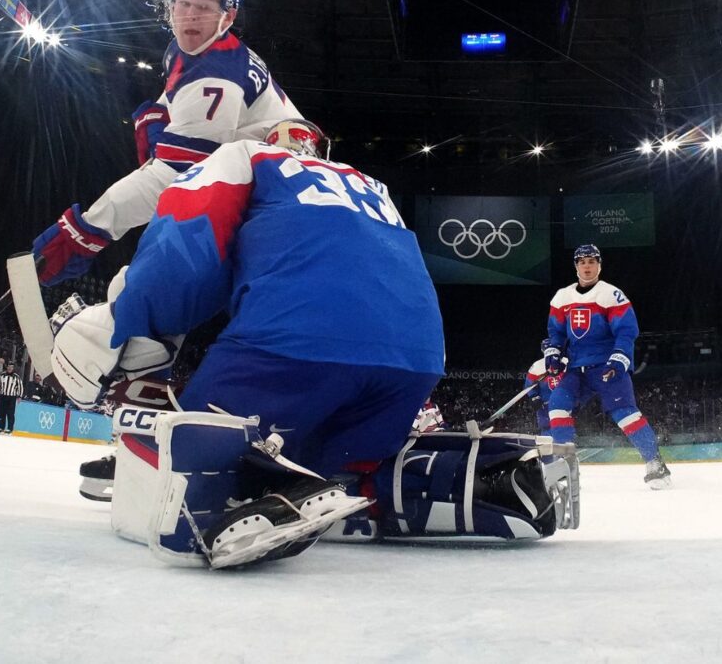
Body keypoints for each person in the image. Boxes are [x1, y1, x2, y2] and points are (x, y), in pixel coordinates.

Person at [50, 122, 568, 568]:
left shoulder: (246, 156)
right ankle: (454, 481)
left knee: (196, 441)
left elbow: (186, 246)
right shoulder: (373, 186)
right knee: (340, 463)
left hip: (295, 346)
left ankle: (218, 490)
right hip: (414, 362)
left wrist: (127, 328)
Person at [31, 0, 302, 287]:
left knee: (165, 271)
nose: (189, 14)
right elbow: (177, 97)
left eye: (203, 8)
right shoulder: (191, 48)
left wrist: (89, 228)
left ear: (227, 17)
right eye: (183, 3)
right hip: (270, 170)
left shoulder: (217, 78)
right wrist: (158, 114)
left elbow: (177, 175)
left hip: (277, 200)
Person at [544, 245, 671, 488]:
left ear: (599, 265)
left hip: (605, 366)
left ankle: (655, 462)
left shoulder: (611, 294)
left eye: (592, 261)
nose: (587, 266)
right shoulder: (562, 297)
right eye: (582, 262)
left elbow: (626, 331)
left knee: (625, 413)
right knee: (557, 405)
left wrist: (619, 358)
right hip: (575, 368)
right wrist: (553, 353)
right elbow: (556, 332)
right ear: (576, 266)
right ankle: (565, 467)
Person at [0, 361, 23, 435]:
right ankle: (1, 427)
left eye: (11, 367)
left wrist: (19, 396)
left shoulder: (16, 377)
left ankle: (10, 429)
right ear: (7, 367)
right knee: (1, 412)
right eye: (9, 366)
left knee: (10, 413)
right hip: (2, 396)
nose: (10, 368)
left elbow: (20, 387)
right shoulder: (2, 375)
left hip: (11, 397)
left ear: (13, 368)